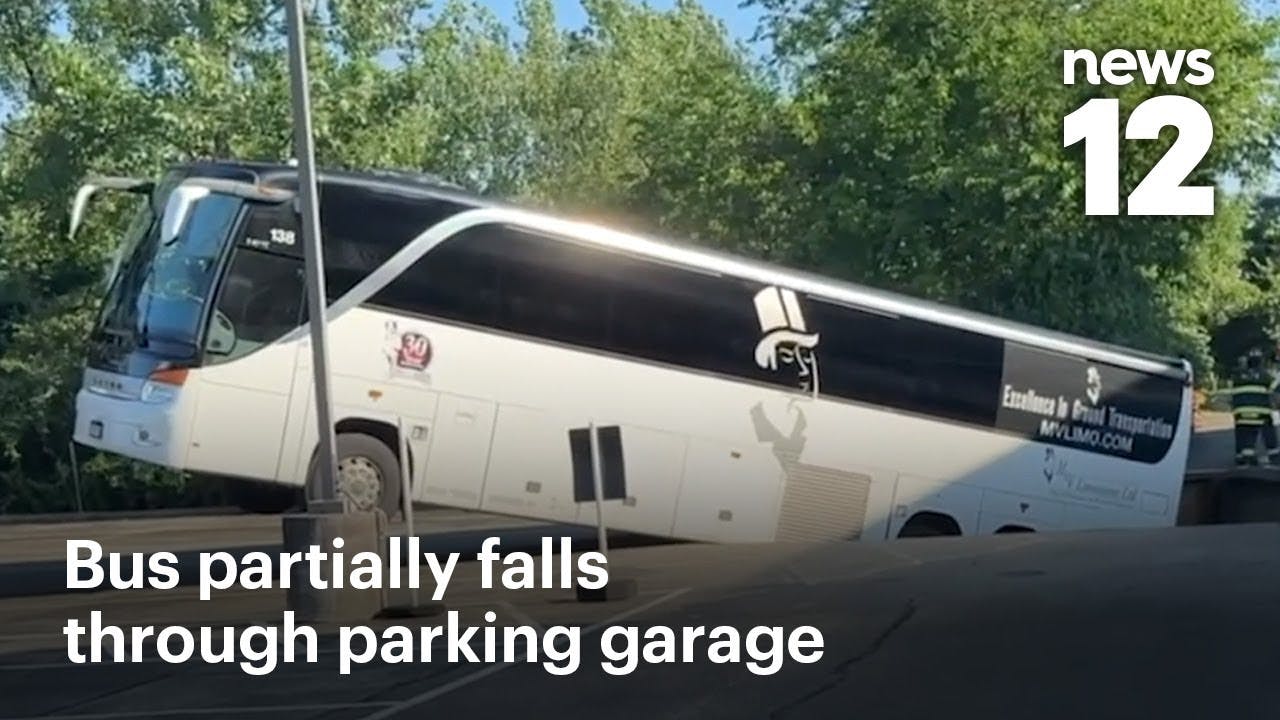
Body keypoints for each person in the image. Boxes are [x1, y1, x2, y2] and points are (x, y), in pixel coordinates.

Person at [1227, 348, 1280, 466]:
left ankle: (1244, 457)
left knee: (1244, 433)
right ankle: (1274, 456)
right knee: (1269, 433)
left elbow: (1232, 394)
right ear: (1260, 361)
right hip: (1261, 413)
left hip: (1241, 413)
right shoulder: (1265, 375)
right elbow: (1276, 390)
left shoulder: (1237, 376)